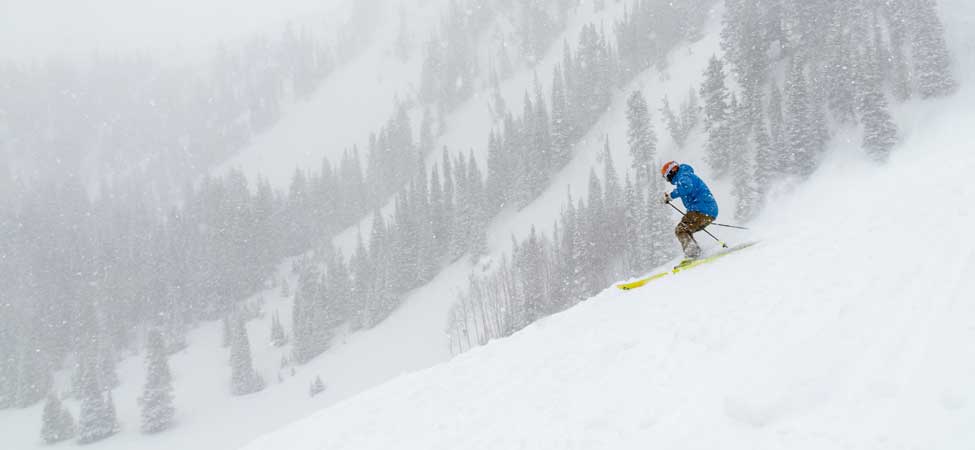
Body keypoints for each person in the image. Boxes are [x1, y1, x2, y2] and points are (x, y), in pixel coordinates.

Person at [661, 160, 718, 259]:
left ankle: (693, 253)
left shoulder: (683, 176)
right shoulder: (685, 175)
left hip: (701, 210)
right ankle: (695, 252)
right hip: (708, 211)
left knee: (681, 230)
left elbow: (687, 187)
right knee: (685, 230)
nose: (668, 180)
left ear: (671, 173)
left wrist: (671, 196)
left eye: (666, 177)